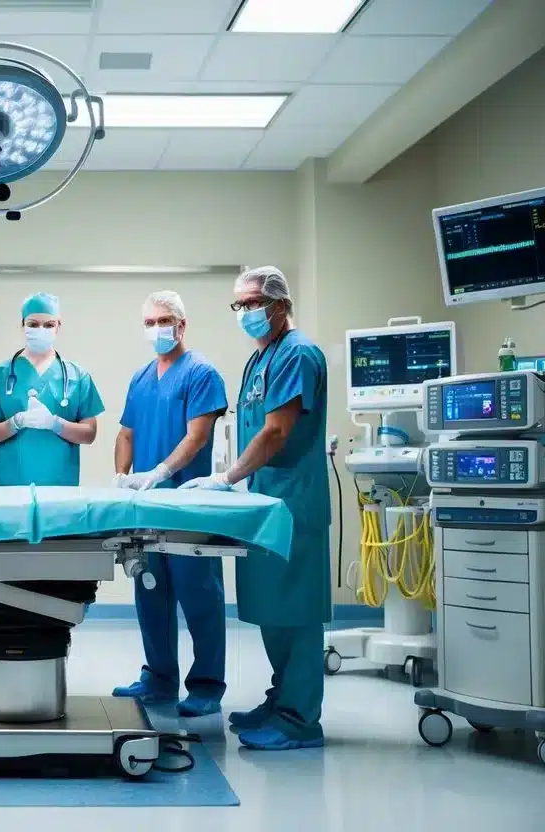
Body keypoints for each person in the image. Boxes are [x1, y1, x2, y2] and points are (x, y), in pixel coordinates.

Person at [181, 266, 331, 751]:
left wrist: (227, 477)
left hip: (294, 503)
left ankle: (300, 717)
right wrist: (234, 476)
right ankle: (280, 698)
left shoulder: (299, 355)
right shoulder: (260, 358)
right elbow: (250, 429)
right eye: (239, 306)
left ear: (280, 305)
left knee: (296, 613)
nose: (245, 313)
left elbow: (276, 431)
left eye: (252, 304)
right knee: (272, 609)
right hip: (266, 501)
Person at [111, 290, 229, 718]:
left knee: (198, 594)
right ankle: (159, 679)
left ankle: (206, 685)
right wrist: (123, 477)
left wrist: (159, 472)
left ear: (182, 324)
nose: (156, 329)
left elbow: (197, 436)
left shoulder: (201, 374)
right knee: (150, 592)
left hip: (186, 503)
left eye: (164, 321)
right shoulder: (141, 378)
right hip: (146, 508)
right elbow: (125, 434)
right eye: (149, 322)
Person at [0, 293, 104, 486]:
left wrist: (55, 424)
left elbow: (89, 434)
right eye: (33, 324)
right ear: (22, 325)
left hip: (60, 486)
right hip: (12, 485)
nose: (41, 329)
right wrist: (15, 423)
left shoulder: (77, 376)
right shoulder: (0, 375)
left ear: (59, 326)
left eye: (49, 325)